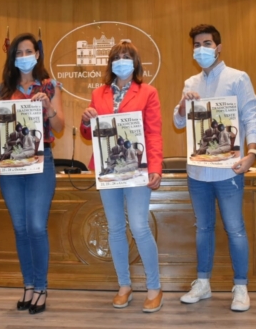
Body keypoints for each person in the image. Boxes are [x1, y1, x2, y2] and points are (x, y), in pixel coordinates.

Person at [173, 24, 256, 312]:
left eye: (207, 43)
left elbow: (251, 116)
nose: (201, 49)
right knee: (204, 228)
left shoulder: (238, 78)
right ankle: (203, 282)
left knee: (235, 228)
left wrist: (252, 153)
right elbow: (178, 123)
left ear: (218, 47)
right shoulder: (190, 83)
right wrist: (182, 106)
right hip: (198, 172)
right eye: (197, 45)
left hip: (230, 170)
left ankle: (240, 286)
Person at [80, 41, 164, 313]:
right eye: (117, 57)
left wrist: (156, 167)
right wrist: (85, 120)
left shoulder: (148, 92)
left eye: (127, 57)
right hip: (108, 169)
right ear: (110, 64)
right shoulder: (98, 93)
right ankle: (124, 285)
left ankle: (154, 287)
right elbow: (88, 134)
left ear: (135, 63)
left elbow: (153, 132)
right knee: (115, 227)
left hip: (137, 169)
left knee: (139, 226)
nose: (122, 61)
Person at [0, 33, 64, 315]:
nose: (23, 57)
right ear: (12, 58)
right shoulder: (2, 90)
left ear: (38, 54)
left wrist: (48, 107)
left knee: (35, 226)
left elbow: (59, 126)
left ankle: (41, 287)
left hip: (40, 162)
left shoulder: (50, 86)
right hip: (10, 166)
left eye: (28, 51)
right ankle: (28, 285)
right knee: (19, 227)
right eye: (18, 53)